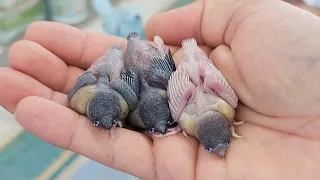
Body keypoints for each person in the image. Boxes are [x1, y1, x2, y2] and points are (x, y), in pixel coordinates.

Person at [0, 0, 319, 179]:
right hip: (154, 68)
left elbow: (176, 84)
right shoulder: (189, 109)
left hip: (157, 68)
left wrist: (184, 60)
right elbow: (167, 81)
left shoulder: (197, 112)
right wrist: (185, 60)